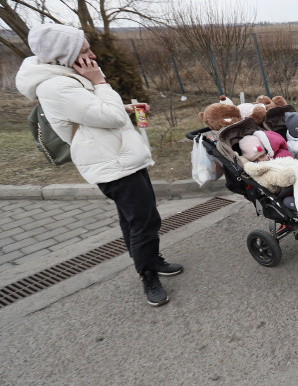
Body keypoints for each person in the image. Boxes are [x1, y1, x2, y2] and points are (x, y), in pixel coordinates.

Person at [16, 23, 183, 307]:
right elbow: (111, 118)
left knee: (135, 218)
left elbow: (97, 114)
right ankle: (148, 275)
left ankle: (150, 260)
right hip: (111, 163)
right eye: (84, 50)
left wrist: (124, 107)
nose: (92, 54)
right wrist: (102, 84)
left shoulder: (69, 76)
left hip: (120, 157)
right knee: (143, 221)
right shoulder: (59, 86)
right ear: (63, 54)